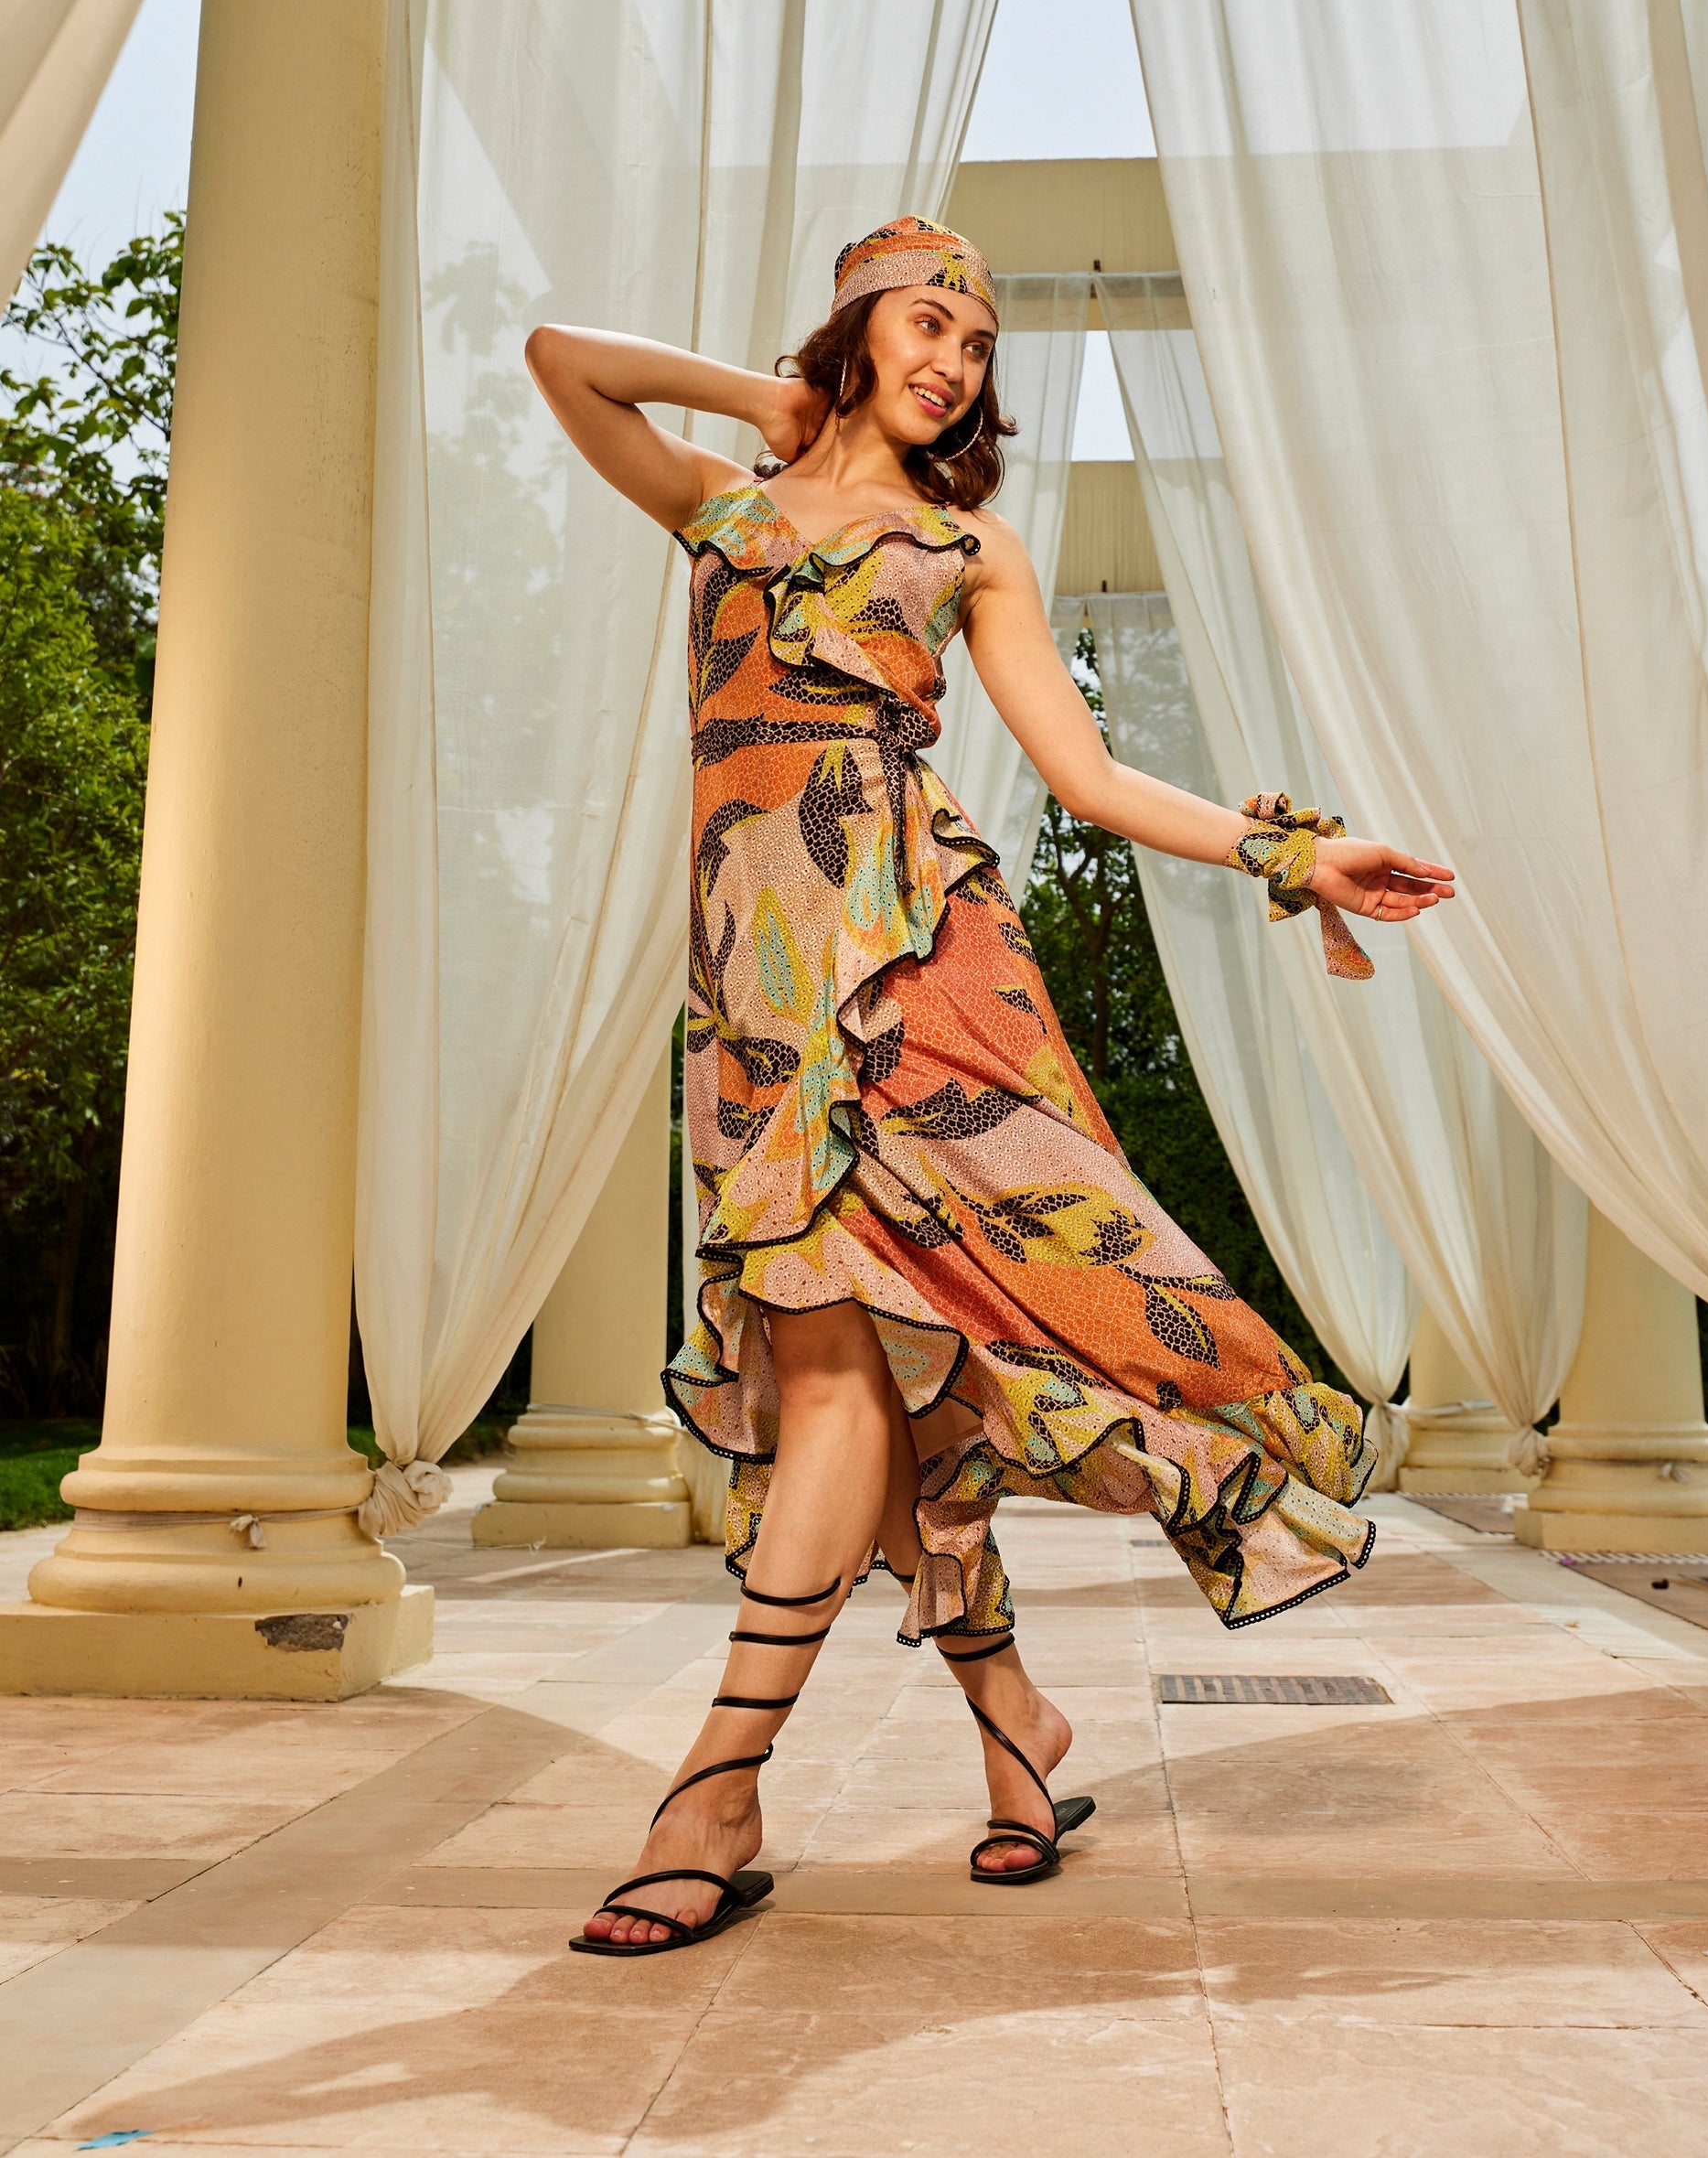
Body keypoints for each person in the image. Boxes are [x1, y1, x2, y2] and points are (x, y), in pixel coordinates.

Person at [524, 217, 1454, 1955]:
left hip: (915, 976)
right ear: (855, 336)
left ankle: (713, 1792)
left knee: (844, 1373)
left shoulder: (969, 549)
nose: (954, 363)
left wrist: (1293, 855)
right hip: (754, 992)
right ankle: (1017, 1722)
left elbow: (1090, 778)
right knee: (894, 1387)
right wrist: (784, 404)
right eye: (926, 327)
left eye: (976, 347)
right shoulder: (724, 510)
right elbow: (562, 360)